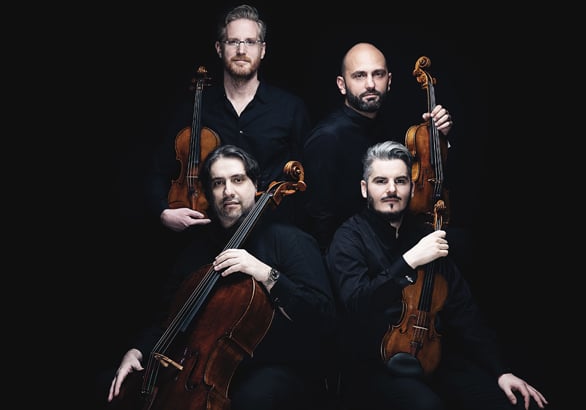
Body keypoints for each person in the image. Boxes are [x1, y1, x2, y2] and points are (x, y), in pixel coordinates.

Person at [106, 145, 336, 410]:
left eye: (238, 180)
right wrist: (137, 350)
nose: (228, 191)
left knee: (253, 400)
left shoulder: (289, 241)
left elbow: (323, 317)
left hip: (274, 368)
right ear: (208, 193)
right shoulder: (196, 251)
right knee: (114, 388)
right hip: (197, 373)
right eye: (218, 183)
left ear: (255, 185)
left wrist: (267, 274)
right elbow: (166, 319)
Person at [325, 140, 548, 410]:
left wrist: (500, 371)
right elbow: (357, 303)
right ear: (365, 189)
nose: (392, 190)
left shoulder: (425, 235)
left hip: (433, 356)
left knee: (505, 402)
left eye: (401, 181)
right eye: (381, 181)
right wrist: (409, 261)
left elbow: (465, 312)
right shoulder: (349, 239)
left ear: (412, 187)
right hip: (375, 366)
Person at [149, 4, 311, 233]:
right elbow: (158, 170)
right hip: (205, 234)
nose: (241, 50)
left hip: (271, 235)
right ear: (219, 48)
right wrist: (163, 212)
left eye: (250, 42)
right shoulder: (194, 108)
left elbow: (309, 184)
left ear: (262, 50)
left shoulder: (290, 108)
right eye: (233, 42)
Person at [299, 42, 453, 255]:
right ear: (342, 85)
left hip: (392, 244)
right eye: (360, 76)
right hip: (351, 255)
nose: (370, 84)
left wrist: (438, 137)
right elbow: (319, 219)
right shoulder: (326, 138)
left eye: (378, 74)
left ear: (389, 81)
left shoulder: (394, 123)